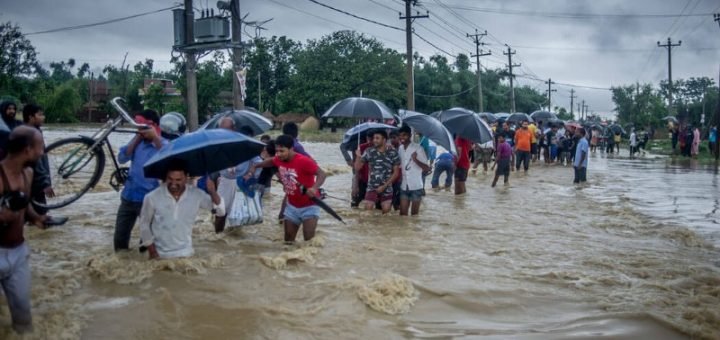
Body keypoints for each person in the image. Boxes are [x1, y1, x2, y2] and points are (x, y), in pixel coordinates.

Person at [0, 126, 48, 333]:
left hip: (18, 252)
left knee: (23, 315)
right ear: (28, 150)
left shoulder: (28, 173)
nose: (42, 152)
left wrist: (36, 218)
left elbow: (25, 204)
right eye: (40, 147)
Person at [247, 135, 326, 243]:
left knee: (308, 240)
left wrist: (314, 188)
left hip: (310, 206)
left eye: (282, 151)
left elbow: (322, 174)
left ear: (291, 149)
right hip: (292, 207)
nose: (278, 154)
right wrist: (256, 166)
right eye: (277, 151)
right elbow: (271, 161)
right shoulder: (278, 159)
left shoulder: (304, 161)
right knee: (288, 240)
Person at [139, 160, 225, 259]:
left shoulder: (196, 194)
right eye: (170, 179)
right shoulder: (152, 197)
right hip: (160, 255)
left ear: (186, 178)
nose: (173, 183)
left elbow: (220, 212)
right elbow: (144, 224)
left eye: (178, 179)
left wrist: (212, 191)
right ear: (165, 177)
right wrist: (152, 252)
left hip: (186, 254)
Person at [114, 110, 166, 251]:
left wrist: (155, 138)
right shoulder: (138, 143)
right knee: (120, 240)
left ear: (154, 126)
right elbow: (122, 158)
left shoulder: (163, 144)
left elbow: (170, 160)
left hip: (149, 200)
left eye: (144, 127)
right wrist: (137, 139)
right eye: (139, 128)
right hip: (128, 197)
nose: (141, 131)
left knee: (146, 245)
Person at [21, 104, 67, 226]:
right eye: (40, 114)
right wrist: (45, 183)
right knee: (37, 212)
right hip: (33, 180)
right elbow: (37, 160)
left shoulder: (32, 131)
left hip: (31, 179)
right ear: (31, 117)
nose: (43, 117)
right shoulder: (30, 134)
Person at [213, 119, 262, 233]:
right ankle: (218, 238)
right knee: (220, 212)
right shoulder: (217, 144)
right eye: (221, 130)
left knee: (239, 215)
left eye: (226, 129)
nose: (223, 132)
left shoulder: (245, 143)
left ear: (233, 129)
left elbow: (258, 162)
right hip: (225, 181)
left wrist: (250, 174)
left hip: (241, 182)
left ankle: (234, 240)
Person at [355, 130, 400, 213]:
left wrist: (384, 186)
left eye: (377, 138)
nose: (374, 140)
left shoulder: (393, 152)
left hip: (387, 188)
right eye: (374, 138)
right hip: (372, 186)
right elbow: (357, 168)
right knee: (367, 212)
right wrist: (358, 156)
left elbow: (396, 173)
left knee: (386, 213)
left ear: (384, 140)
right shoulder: (369, 151)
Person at [397, 125, 430, 216]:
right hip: (404, 186)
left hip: (416, 186)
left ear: (410, 135)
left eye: (404, 135)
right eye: (400, 135)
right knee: (402, 214)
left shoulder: (418, 148)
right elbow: (399, 165)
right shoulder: (400, 149)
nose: (402, 138)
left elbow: (426, 168)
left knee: (414, 215)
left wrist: (415, 160)